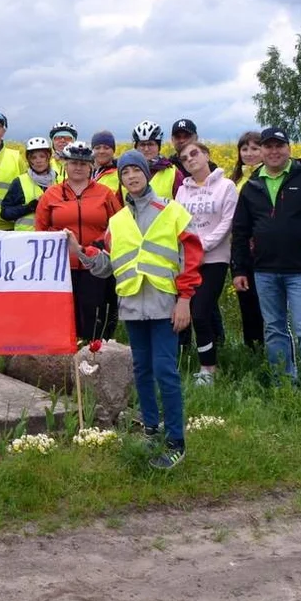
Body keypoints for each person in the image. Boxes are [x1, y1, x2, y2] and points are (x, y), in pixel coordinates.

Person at [71, 150, 202, 469]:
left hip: (164, 304)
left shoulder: (171, 210)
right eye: (125, 172)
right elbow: (106, 266)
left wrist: (185, 299)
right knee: (142, 371)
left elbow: (192, 257)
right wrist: (79, 251)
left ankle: (175, 443)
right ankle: (151, 430)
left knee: (165, 372)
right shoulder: (117, 221)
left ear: (146, 173)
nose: (131, 176)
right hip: (132, 306)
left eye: (136, 170)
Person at [231, 127, 301, 400]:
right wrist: (239, 269)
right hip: (264, 270)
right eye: (268, 146)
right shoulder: (253, 185)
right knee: (274, 330)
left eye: (279, 146)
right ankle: (284, 387)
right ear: (261, 151)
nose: (274, 151)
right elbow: (241, 231)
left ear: (288, 148)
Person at [35, 140, 123, 341]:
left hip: (96, 265)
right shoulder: (52, 194)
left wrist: (99, 245)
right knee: (67, 316)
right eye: (74, 162)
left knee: (96, 315)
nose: (78, 167)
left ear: (91, 166)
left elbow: (118, 225)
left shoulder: (105, 193)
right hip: (63, 267)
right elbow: (40, 228)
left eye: (83, 163)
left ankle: (95, 356)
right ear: (66, 164)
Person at [174, 141, 237, 385]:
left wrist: (203, 245)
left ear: (207, 155)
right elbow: (177, 221)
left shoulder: (226, 186)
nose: (190, 159)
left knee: (200, 311)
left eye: (194, 153)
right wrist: (187, 250)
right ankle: (192, 360)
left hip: (214, 259)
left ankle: (208, 369)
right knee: (189, 312)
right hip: (187, 260)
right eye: (185, 157)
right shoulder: (182, 190)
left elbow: (227, 221)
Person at [229, 131, 264, 348]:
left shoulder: (264, 177)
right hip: (241, 248)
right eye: (244, 149)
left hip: (260, 249)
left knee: (263, 303)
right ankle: (252, 351)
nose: (249, 154)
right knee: (247, 302)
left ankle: (269, 351)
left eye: (254, 148)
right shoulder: (235, 180)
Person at [0, 137, 56, 231]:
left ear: (48, 157)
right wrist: (29, 207)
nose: (38, 161)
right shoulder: (19, 182)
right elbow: (5, 213)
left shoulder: (60, 180)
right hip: (25, 238)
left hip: (53, 238)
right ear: (29, 160)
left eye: (42, 156)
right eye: (33, 157)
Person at [131, 121, 183, 199]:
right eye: (142, 144)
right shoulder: (126, 172)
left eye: (150, 144)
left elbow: (182, 206)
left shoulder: (173, 173)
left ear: (158, 146)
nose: (146, 149)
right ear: (136, 147)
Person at [90, 130, 120, 197]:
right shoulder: (85, 173)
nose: (101, 151)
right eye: (97, 148)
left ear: (113, 150)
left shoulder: (121, 174)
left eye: (106, 148)